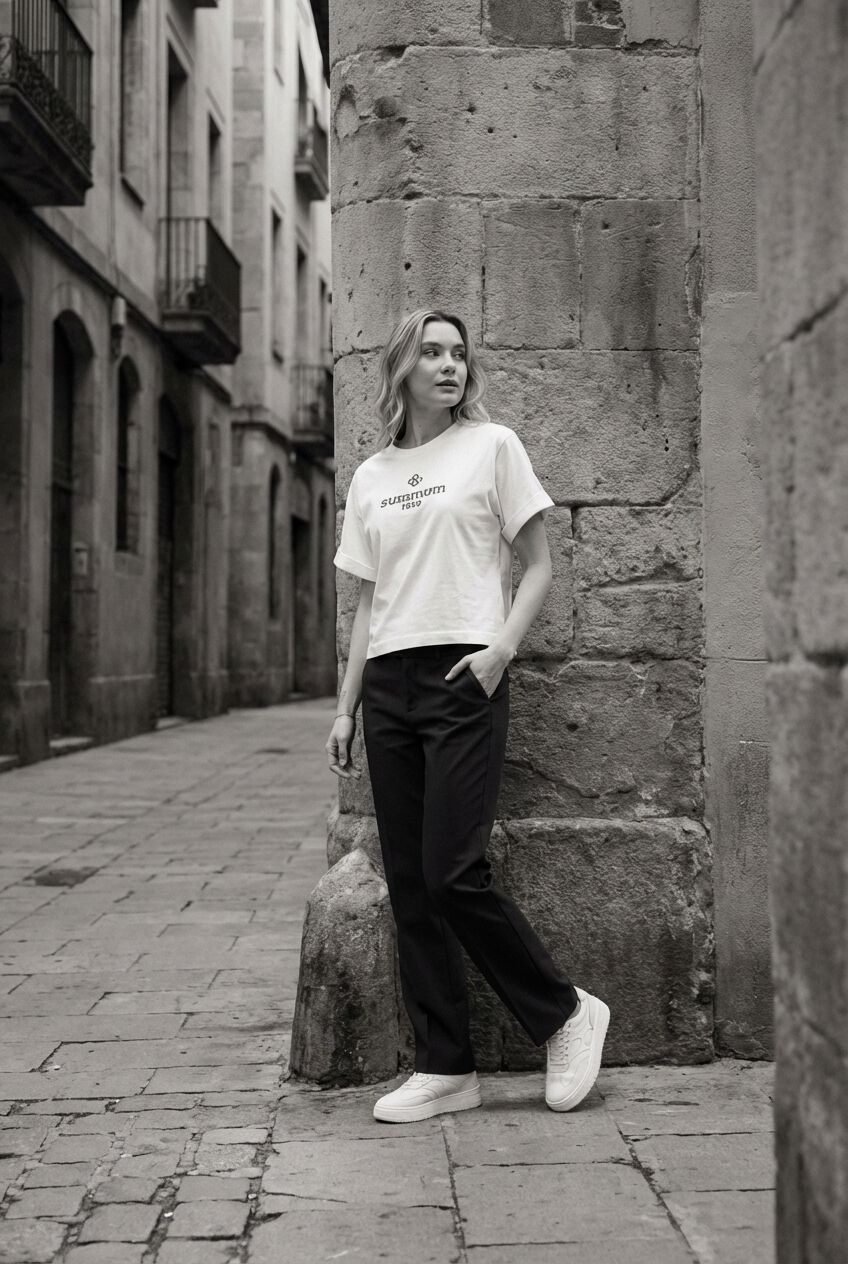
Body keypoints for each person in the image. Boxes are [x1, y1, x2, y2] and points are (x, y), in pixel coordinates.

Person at [326, 308, 610, 1124]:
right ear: (402, 368)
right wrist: (345, 708)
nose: (449, 365)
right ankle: (446, 1066)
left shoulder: (493, 447)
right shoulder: (372, 476)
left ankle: (564, 1012)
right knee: (413, 884)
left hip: (463, 675)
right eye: (432, 352)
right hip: (389, 684)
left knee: (453, 872)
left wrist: (498, 654)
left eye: (458, 353)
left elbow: (538, 566)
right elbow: (369, 601)